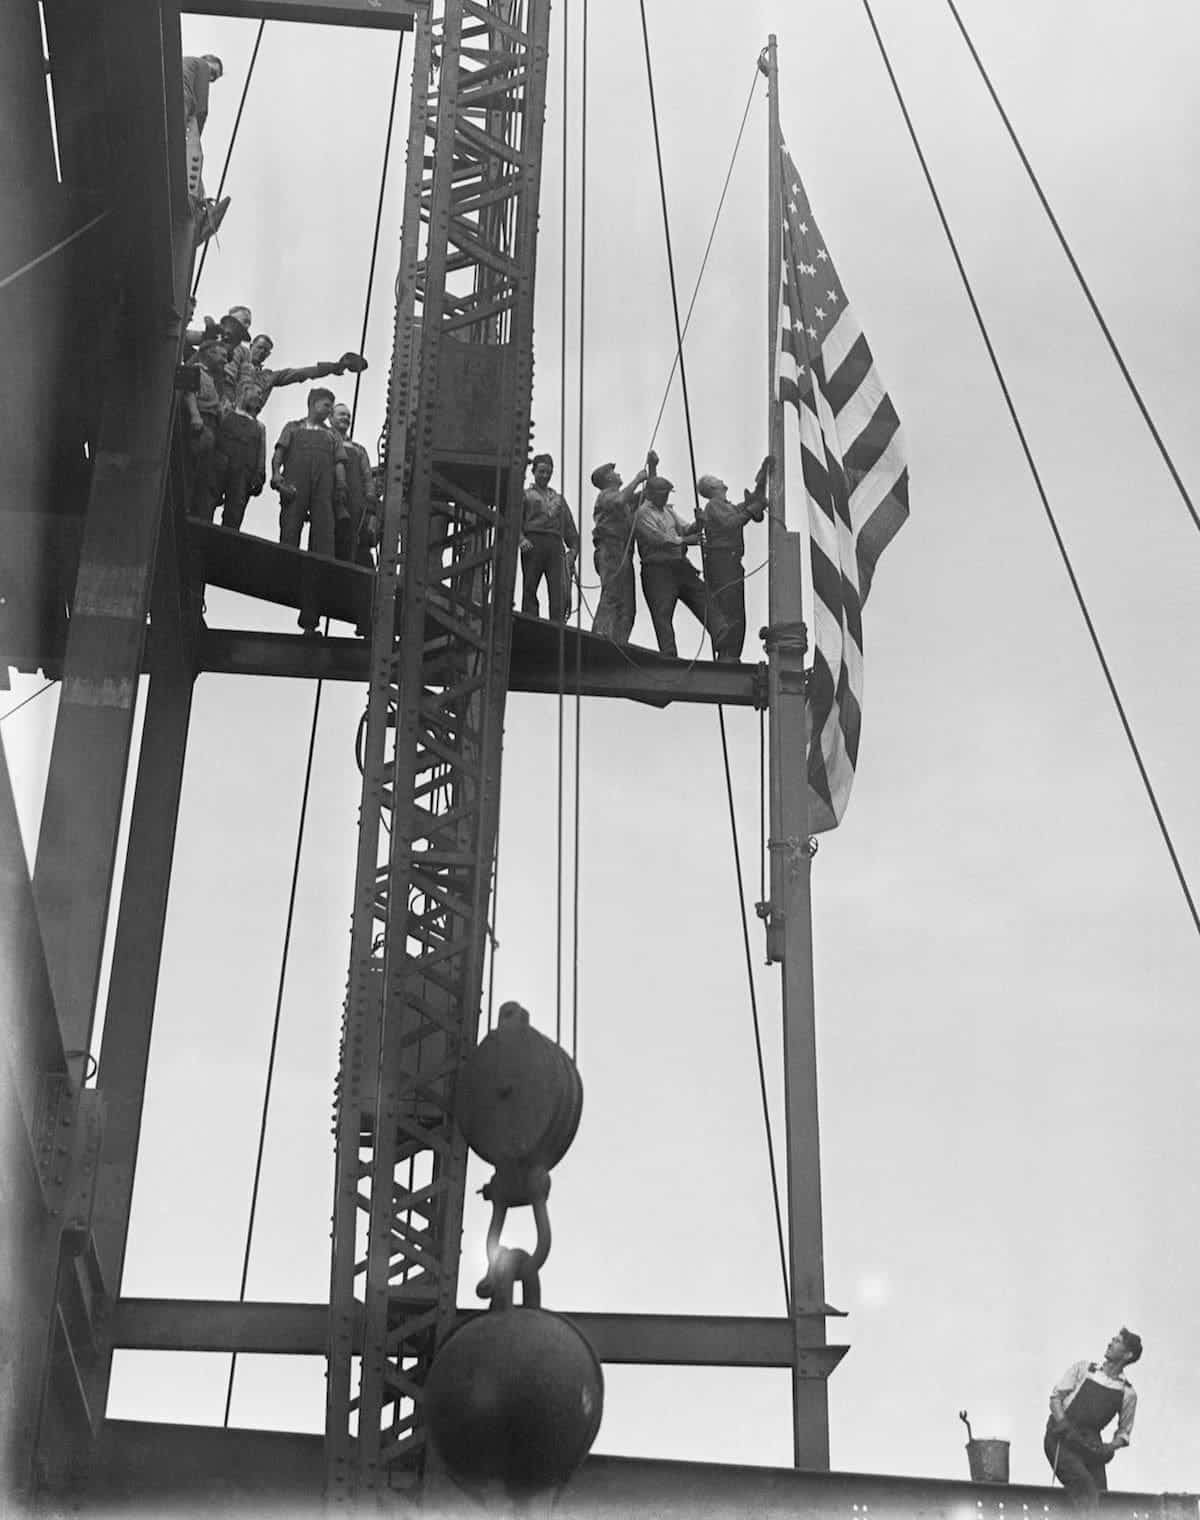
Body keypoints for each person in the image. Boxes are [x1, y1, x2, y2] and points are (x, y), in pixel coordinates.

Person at [271, 388, 348, 635]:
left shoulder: (331, 436)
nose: (329, 411)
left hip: (323, 491)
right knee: (290, 528)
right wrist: (277, 477)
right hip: (296, 486)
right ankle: (285, 566)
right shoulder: (292, 427)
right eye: (327, 406)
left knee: (323, 535)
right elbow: (279, 454)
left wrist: (341, 486)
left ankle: (322, 569)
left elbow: (339, 462)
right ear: (314, 405)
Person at [633, 475, 729, 659]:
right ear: (652, 494)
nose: (666, 498)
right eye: (663, 494)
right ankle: (669, 655)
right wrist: (686, 540)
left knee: (702, 595)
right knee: (662, 613)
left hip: (678, 565)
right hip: (657, 571)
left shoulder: (668, 512)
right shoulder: (642, 513)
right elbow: (658, 538)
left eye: (668, 494)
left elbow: (685, 529)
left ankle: (721, 633)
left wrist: (698, 523)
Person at [1045, 1329, 1142, 1508]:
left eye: (1117, 1341)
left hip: (1090, 1445)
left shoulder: (1127, 1393)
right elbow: (1055, 1398)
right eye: (1113, 1338)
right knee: (1085, 1489)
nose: (1110, 1342)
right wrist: (1064, 1425)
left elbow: (1124, 1432)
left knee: (1102, 1496)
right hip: (1061, 1438)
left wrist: (1109, 1447)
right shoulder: (1083, 1369)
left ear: (1128, 1354)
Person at [696, 455, 772, 661]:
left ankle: (732, 653)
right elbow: (732, 523)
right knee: (730, 608)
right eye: (716, 479)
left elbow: (751, 504)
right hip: (722, 562)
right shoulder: (713, 505)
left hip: (729, 561)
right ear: (712, 486)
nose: (720, 480)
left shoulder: (725, 505)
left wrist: (763, 477)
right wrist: (750, 511)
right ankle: (728, 654)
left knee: (736, 609)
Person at [589, 450, 656, 645]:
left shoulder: (624, 499)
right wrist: (637, 480)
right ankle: (601, 638)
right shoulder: (606, 496)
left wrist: (651, 467)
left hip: (624, 552)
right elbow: (620, 500)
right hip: (610, 550)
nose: (618, 474)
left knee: (628, 605)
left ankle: (620, 642)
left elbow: (651, 493)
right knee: (612, 596)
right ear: (607, 478)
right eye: (613, 472)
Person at [228, 334, 367, 412]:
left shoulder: (268, 376)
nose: (261, 352)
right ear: (251, 346)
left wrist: (334, 367)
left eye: (265, 350)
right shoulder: (236, 361)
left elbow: (299, 374)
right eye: (259, 347)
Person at [520, 454, 578, 623]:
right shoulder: (526, 495)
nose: (545, 475)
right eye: (542, 471)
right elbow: (515, 522)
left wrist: (573, 552)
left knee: (559, 590)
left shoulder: (559, 500)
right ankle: (530, 621)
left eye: (548, 472)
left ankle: (558, 624)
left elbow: (571, 530)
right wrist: (521, 539)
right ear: (534, 472)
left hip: (555, 545)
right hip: (533, 543)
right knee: (530, 586)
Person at [182, 53, 230, 244]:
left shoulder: (184, 62)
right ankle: (199, 211)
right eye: (213, 72)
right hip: (183, 100)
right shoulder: (200, 64)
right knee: (194, 157)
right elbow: (202, 110)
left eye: (214, 78)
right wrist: (194, 139)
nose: (211, 77)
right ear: (207, 59)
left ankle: (200, 206)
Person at [329, 402, 379, 567]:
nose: (346, 418)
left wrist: (370, 497)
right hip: (329, 497)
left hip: (354, 501)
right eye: (341, 414)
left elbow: (367, 476)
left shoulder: (358, 449)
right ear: (330, 418)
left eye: (348, 416)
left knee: (352, 538)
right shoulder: (325, 440)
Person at [212, 383, 267, 531]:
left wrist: (259, 476)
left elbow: (261, 453)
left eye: (261, 395)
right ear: (245, 392)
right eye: (257, 392)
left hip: (243, 474)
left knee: (234, 514)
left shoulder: (260, 427)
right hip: (220, 467)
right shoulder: (226, 412)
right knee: (208, 503)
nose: (260, 397)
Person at [182, 340, 227, 520]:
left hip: (211, 428)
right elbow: (189, 393)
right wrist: (194, 415)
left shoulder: (212, 378)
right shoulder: (195, 370)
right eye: (221, 355)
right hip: (200, 427)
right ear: (209, 353)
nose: (225, 360)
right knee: (192, 471)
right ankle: (185, 508)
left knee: (205, 475)